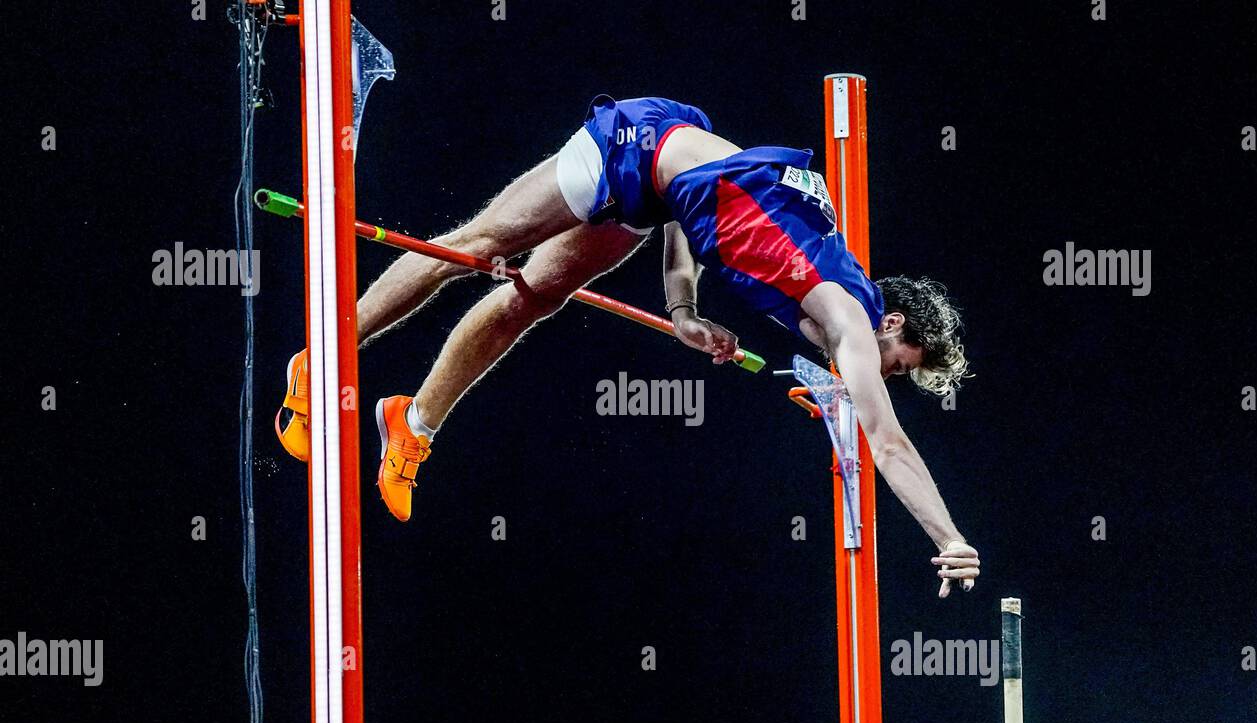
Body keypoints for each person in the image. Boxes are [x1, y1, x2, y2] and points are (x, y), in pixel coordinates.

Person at [275, 94, 979, 596]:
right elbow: (888, 442)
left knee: (536, 298)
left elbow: (703, 197)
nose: (878, 376)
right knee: (478, 245)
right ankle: (318, 361)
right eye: (895, 365)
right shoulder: (848, 316)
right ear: (890, 327)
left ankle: (412, 422)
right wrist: (948, 537)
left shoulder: (825, 276)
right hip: (633, 143)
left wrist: (682, 307)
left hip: (660, 186)